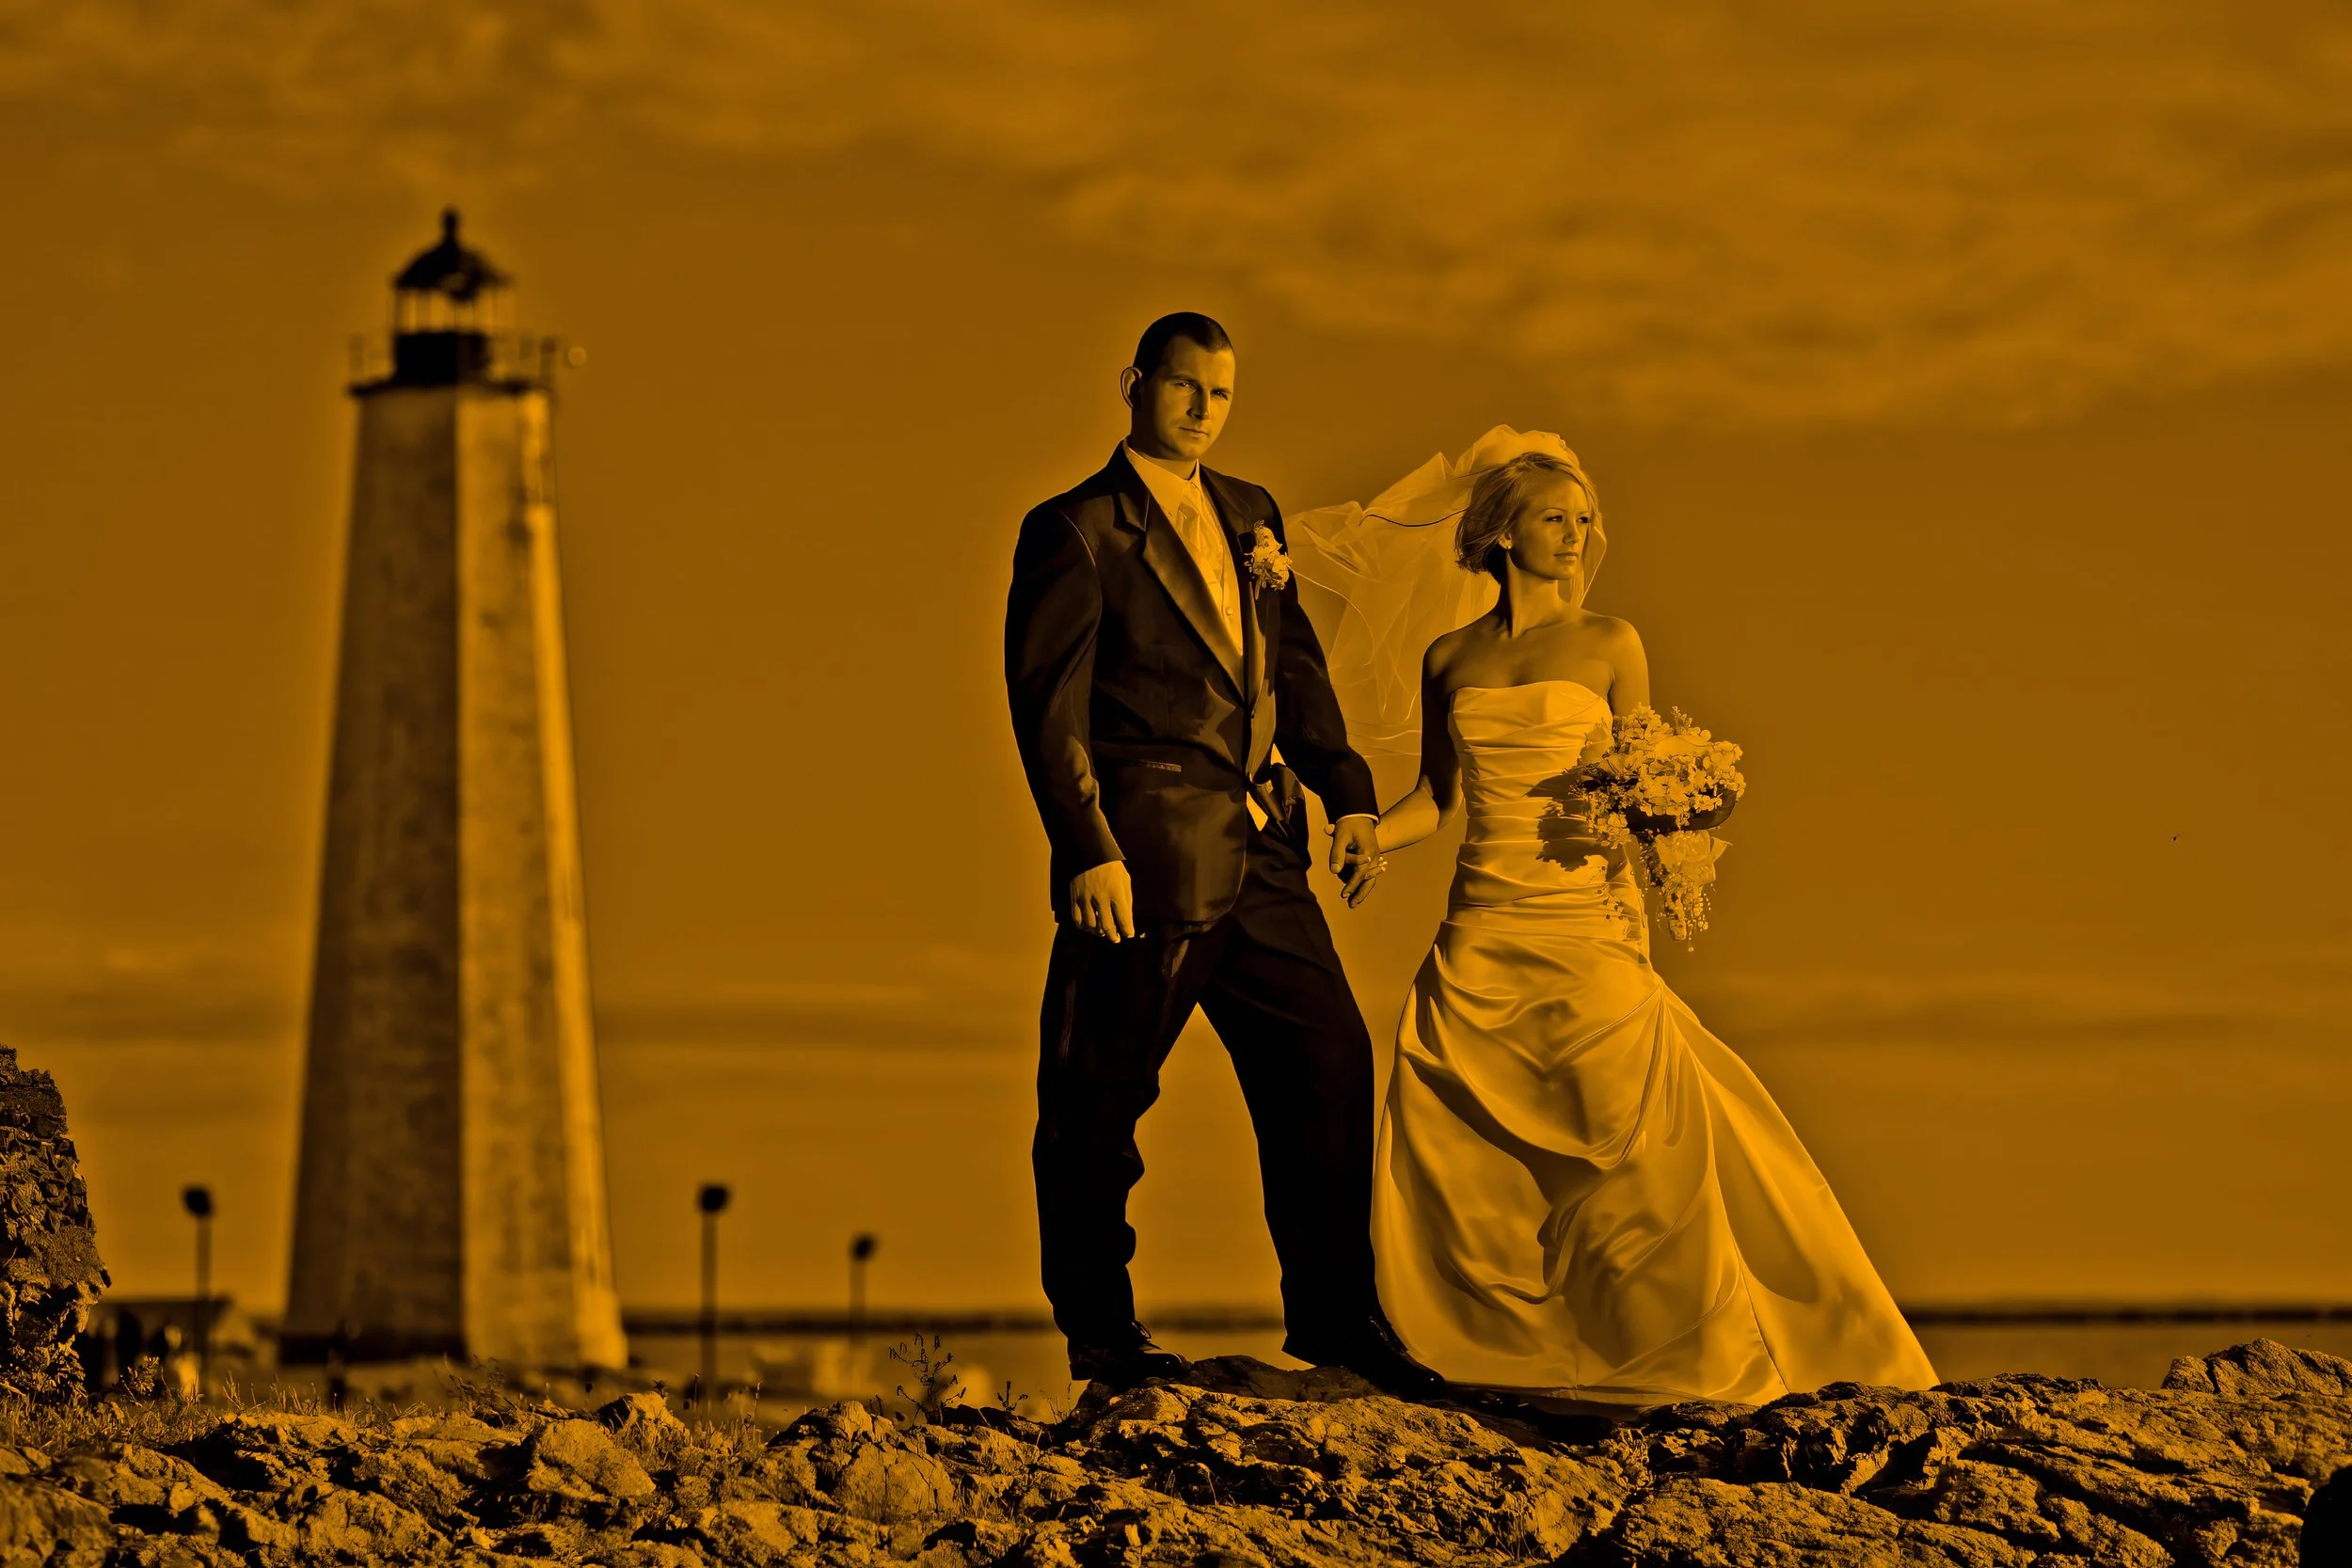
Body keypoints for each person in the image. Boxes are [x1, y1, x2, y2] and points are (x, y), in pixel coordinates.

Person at [1318, 437, 1937, 1406]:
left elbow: (1647, 771)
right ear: (1502, 532)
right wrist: (1369, 840)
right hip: (1482, 918)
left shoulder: (1612, 643)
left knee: (1627, 1129)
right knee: (1459, 1129)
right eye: (1555, 517)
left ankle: (1684, 1348)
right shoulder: (1450, 657)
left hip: (1588, 919)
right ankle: (1498, 1347)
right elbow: (1437, 799)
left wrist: (1687, 800)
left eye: (1583, 518)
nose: (1577, 535)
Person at [1003, 313, 1441, 1395]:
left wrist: (1346, 793)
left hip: (1264, 851)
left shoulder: (1254, 514)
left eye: (1222, 393)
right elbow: (1046, 705)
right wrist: (1086, 846)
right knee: (1098, 1096)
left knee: (1330, 1062)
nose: (1203, 409)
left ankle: (1336, 1320)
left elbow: (1292, 668)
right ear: (1134, 384)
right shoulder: (1077, 528)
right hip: (1143, 857)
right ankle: (1103, 1333)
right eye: (1184, 386)